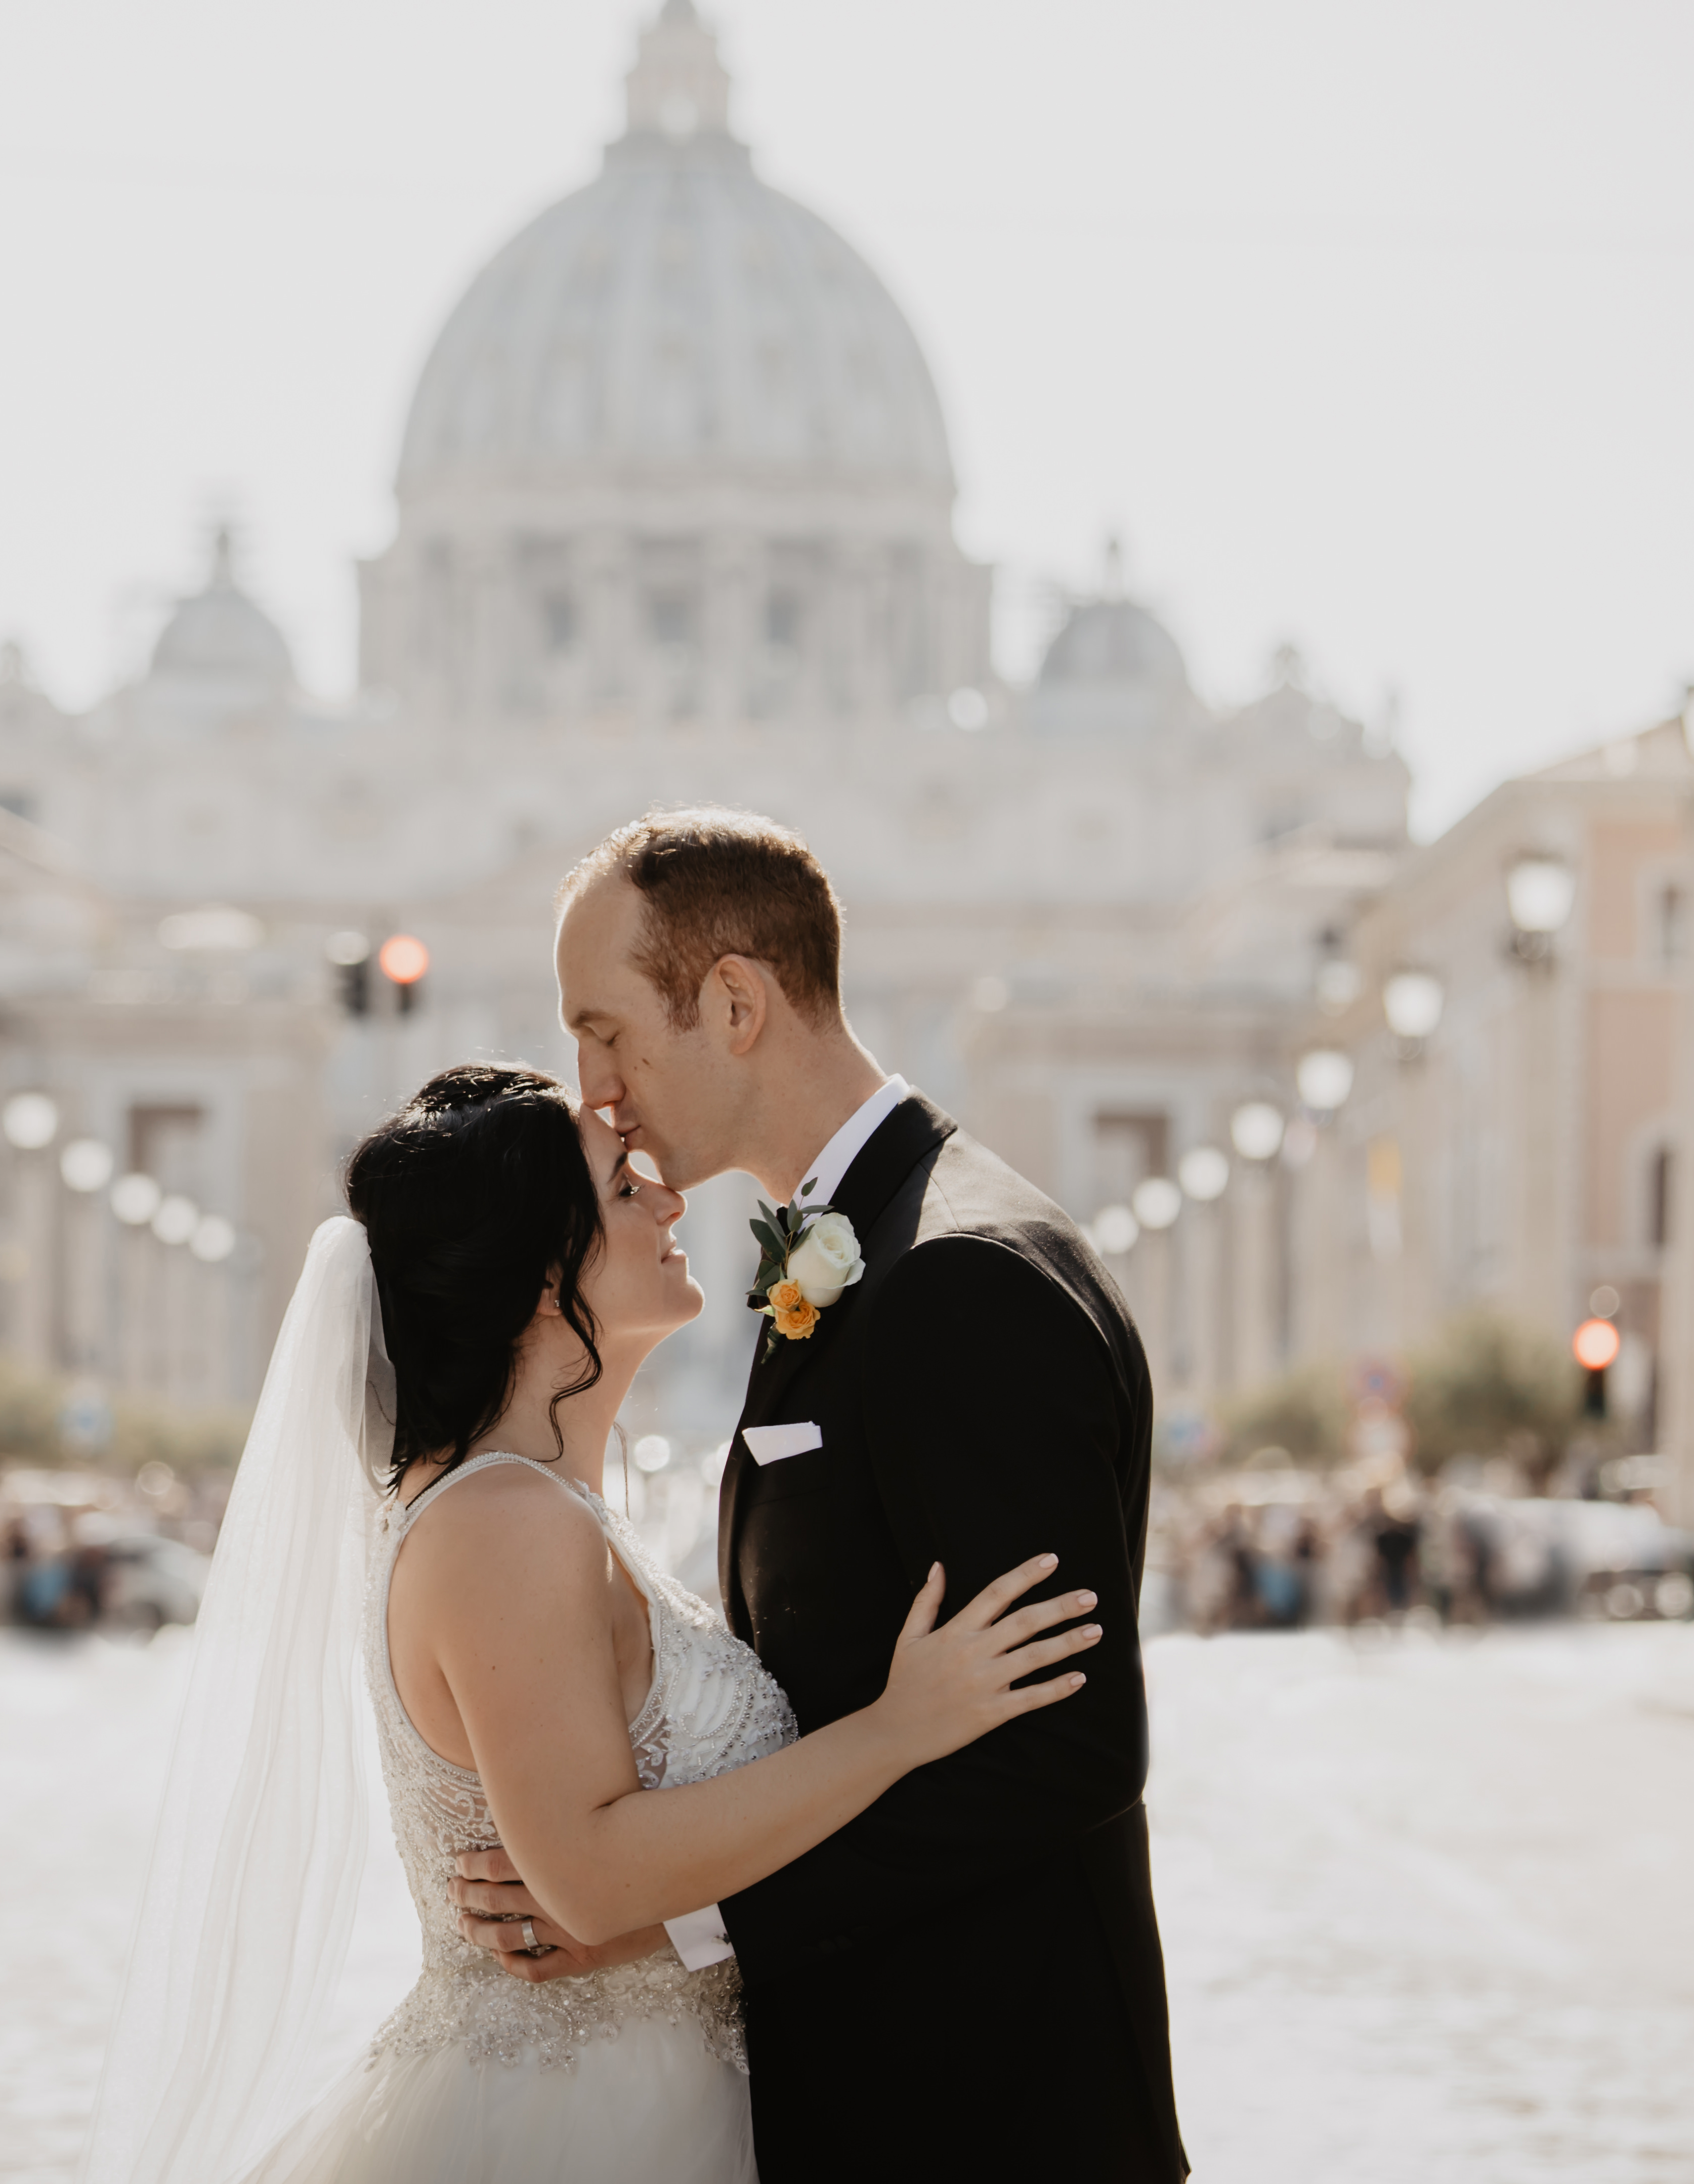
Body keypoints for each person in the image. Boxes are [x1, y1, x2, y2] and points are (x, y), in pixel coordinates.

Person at [88, 1063, 1096, 2184]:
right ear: (537, 1271)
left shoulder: (537, 1504)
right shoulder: (503, 1522)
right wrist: (901, 1728)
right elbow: (594, 1877)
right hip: (573, 2123)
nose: (671, 1203)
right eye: (626, 1189)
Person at [465, 806, 1188, 2179]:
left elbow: (1065, 1746)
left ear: (731, 1000)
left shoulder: (957, 1275)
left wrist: (673, 1922)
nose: (592, 1085)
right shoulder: (871, 1242)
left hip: (990, 2111)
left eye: (605, 1027)